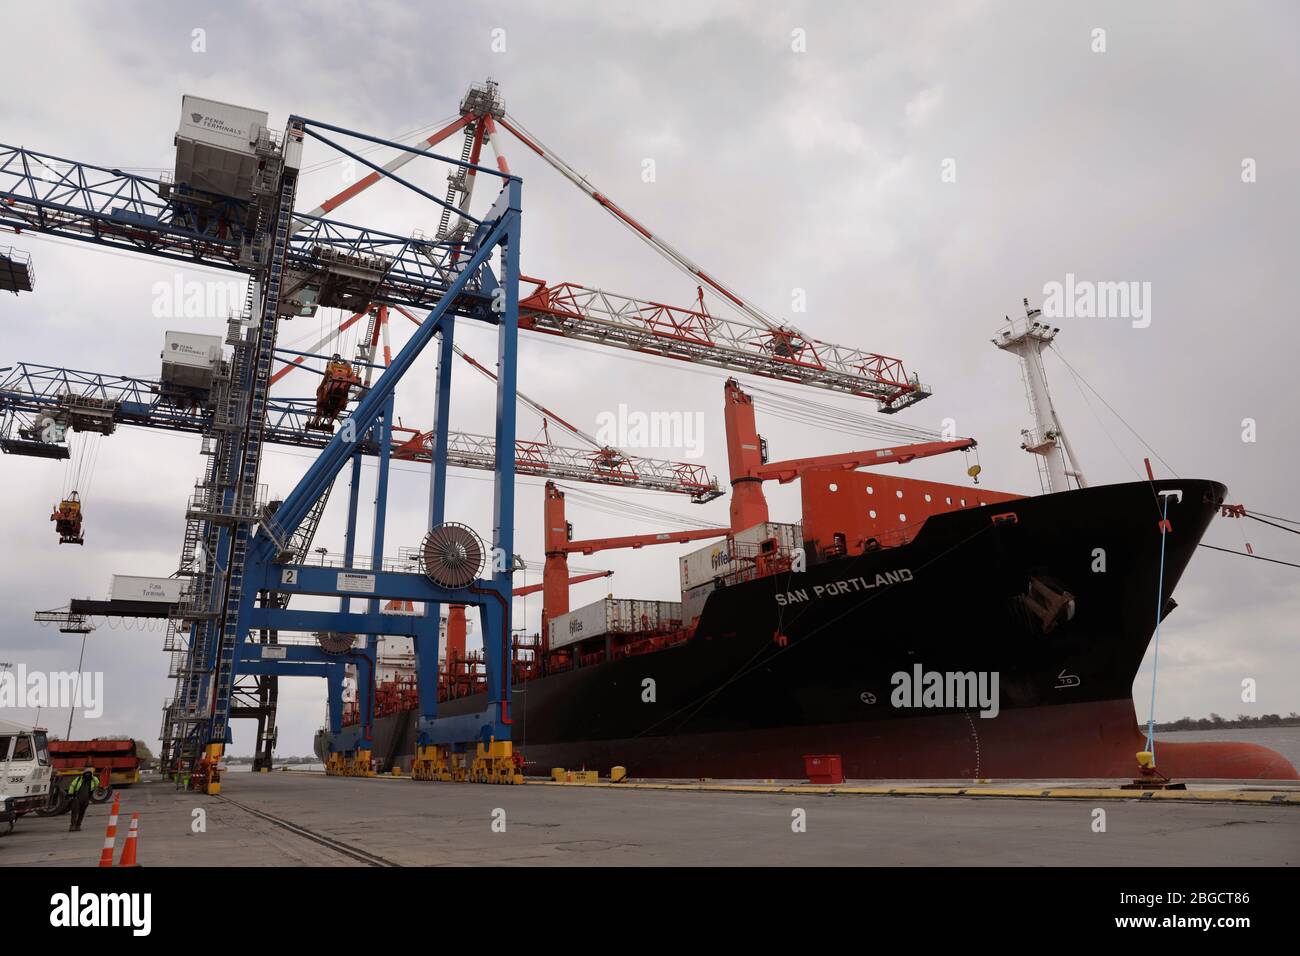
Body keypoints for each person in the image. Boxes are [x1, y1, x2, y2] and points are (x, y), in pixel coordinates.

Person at [66, 768, 99, 832]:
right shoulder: (78, 779)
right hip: (77, 798)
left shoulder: (94, 780)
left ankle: (78, 826)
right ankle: (72, 826)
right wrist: (70, 794)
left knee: (82, 813)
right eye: (86, 773)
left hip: (86, 799)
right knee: (74, 812)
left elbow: (98, 786)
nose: (87, 774)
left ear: (91, 774)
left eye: (89, 773)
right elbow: (72, 786)